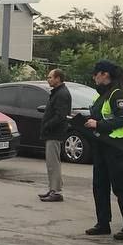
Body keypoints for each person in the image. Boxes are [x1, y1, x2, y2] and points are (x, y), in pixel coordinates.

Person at [83, 60, 123, 240]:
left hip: (116, 147)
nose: (94, 77)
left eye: (96, 73)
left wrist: (97, 124)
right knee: (100, 186)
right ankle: (103, 224)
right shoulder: (102, 95)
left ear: (105, 74)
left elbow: (122, 120)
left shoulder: (118, 94)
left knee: (120, 188)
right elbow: (99, 114)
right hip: (101, 146)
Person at [39, 68, 72, 202]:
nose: (49, 80)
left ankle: (56, 191)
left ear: (58, 79)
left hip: (55, 133)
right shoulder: (57, 93)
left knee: (53, 163)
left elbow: (60, 115)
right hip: (52, 133)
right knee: (51, 163)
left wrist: (47, 125)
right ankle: (52, 188)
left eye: (50, 77)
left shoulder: (62, 94)